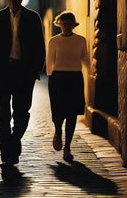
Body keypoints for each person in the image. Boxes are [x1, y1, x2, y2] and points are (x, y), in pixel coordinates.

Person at [0, 0, 45, 166]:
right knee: (3, 113)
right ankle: (6, 155)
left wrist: (34, 71)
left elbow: (39, 48)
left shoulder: (33, 18)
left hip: (24, 72)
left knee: (22, 111)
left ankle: (14, 139)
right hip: (3, 72)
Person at [46, 11, 89, 162]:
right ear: (59, 24)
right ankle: (58, 131)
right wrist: (51, 77)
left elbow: (85, 57)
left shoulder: (81, 40)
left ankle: (68, 147)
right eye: (64, 24)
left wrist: (91, 70)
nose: (67, 26)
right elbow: (49, 60)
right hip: (58, 78)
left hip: (75, 78)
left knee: (72, 114)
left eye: (70, 24)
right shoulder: (54, 41)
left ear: (73, 25)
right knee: (58, 111)